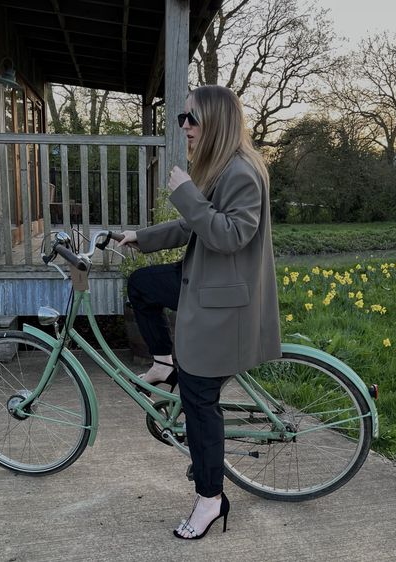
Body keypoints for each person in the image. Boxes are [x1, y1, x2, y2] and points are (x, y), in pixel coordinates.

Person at [118, 85, 281, 540]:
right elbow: (195, 223)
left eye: (191, 119)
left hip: (222, 303)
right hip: (204, 282)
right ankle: (164, 361)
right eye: (181, 119)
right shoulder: (222, 168)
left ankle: (211, 498)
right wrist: (140, 236)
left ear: (216, 121)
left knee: (199, 405)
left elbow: (229, 235)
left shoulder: (243, 172)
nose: (184, 127)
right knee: (142, 285)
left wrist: (187, 193)